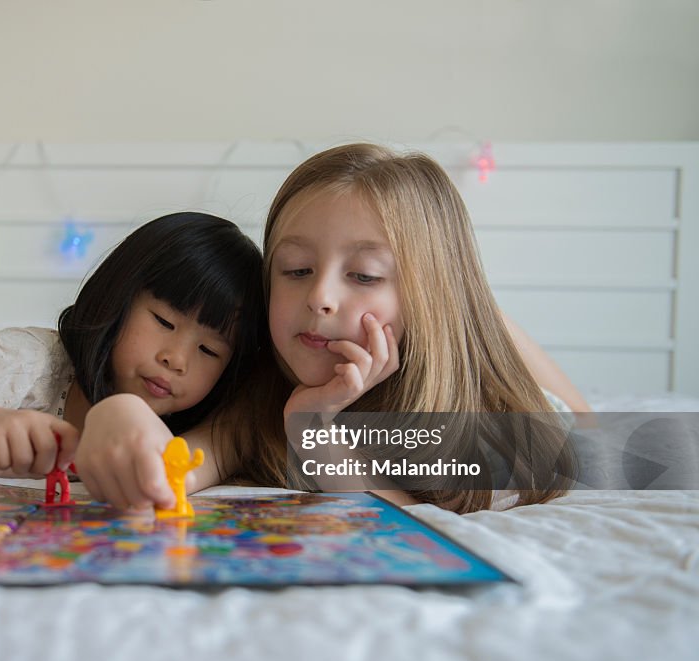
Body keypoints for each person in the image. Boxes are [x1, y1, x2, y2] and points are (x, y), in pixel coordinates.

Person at [71, 143, 589, 513]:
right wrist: (119, 414)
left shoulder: (489, 423)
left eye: (363, 275)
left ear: (425, 299)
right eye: (295, 270)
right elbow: (173, 470)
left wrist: (317, 436)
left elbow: (413, 527)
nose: (319, 298)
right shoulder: (257, 400)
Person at [0, 213, 264, 509]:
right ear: (118, 297)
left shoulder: (185, 428)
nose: (176, 359)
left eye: (209, 351)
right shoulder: (40, 359)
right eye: (164, 321)